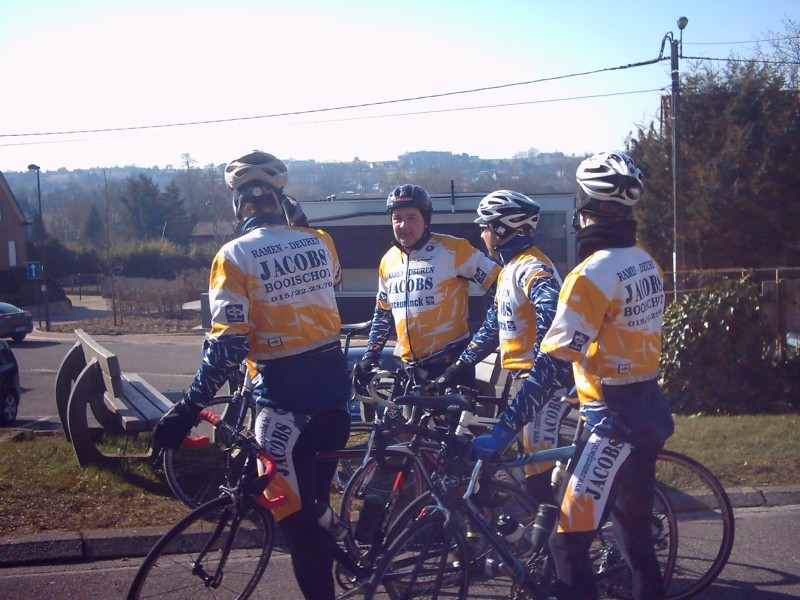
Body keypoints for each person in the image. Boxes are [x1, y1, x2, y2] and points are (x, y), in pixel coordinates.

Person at [470, 151, 675, 600]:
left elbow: (553, 365)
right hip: (647, 409)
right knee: (637, 544)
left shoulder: (589, 275)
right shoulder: (645, 262)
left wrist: (505, 428)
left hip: (612, 422)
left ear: (584, 211)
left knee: (567, 544)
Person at [153, 150, 351, 600]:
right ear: (282, 198)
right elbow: (332, 280)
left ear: (237, 205)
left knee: (295, 527)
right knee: (314, 502)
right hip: (334, 400)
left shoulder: (233, 256)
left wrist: (188, 408)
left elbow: (228, 346)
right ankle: (344, 540)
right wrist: (296, 225)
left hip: (283, 405)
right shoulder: (319, 240)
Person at [438, 190, 570, 506]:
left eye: (484, 227)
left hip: (543, 385)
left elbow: (553, 316)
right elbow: (493, 327)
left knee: (536, 482)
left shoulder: (532, 266)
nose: (481, 233)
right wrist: (460, 365)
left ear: (501, 230)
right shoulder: (511, 268)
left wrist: (540, 357)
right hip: (523, 382)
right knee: (496, 469)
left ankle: (556, 549)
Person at [354, 183, 501, 389]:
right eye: (397, 218)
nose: (404, 226)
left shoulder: (453, 249)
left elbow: (502, 285)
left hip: (450, 367)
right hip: (409, 369)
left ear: (426, 221)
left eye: (412, 218)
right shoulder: (388, 260)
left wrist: (484, 331)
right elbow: (384, 313)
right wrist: (371, 354)